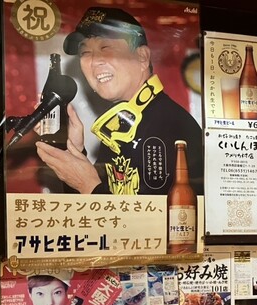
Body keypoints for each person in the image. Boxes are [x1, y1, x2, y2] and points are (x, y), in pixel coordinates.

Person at [35, 7, 203, 196]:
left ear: (142, 57)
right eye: (85, 53)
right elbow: (94, 209)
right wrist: (76, 152)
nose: (94, 61)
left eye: (105, 48)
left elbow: (154, 215)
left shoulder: (169, 125)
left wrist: (87, 184)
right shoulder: (120, 125)